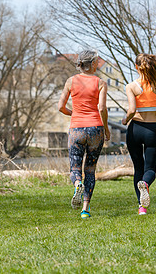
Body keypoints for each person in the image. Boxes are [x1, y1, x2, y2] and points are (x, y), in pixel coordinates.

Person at [58, 49, 111, 219]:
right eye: (96, 62)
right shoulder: (101, 83)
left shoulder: (70, 81)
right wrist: (106, 128)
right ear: (92, 64)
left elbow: (60, 106)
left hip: (76, 129)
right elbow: (102, 108)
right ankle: (85, 210)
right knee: (90, 169)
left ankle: (77, 184)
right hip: (95, 128)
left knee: (75, 167)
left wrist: (72, 113)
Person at [121, 53, 156, 215]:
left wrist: (125, 120)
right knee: (150, 170)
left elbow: (132, 110)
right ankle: (145, 185)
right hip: (152, 130)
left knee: (138, 168)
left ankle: (141, 207)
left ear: (137, 67)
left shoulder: (131, 86)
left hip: (135, 129)